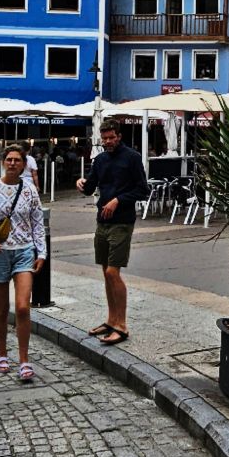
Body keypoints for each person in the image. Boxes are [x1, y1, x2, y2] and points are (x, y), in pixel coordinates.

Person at [0, 145, 48, 383]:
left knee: (23, 307)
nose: (13, 163)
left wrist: (42, 252)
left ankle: (24, 360)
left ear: (24, 164)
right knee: (1, 308)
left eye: (17, 160)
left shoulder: (29, 190)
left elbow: (38, 223)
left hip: (24, 251)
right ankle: (2, 354)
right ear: (3, 162)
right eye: (9, 159)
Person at [79, 124, 147, 346]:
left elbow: (143, 190)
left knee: (112, 271)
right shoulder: (100, 160)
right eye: (104, 138)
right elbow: (90, 188)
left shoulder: (132, 158)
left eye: (111, 137)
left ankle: (122, 326)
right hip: (103, 221)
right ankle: (111, 320)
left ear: (119, 136)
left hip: (122, 221)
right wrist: (81, 184)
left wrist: (118, 200)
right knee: (105, 272)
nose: (107, 142)